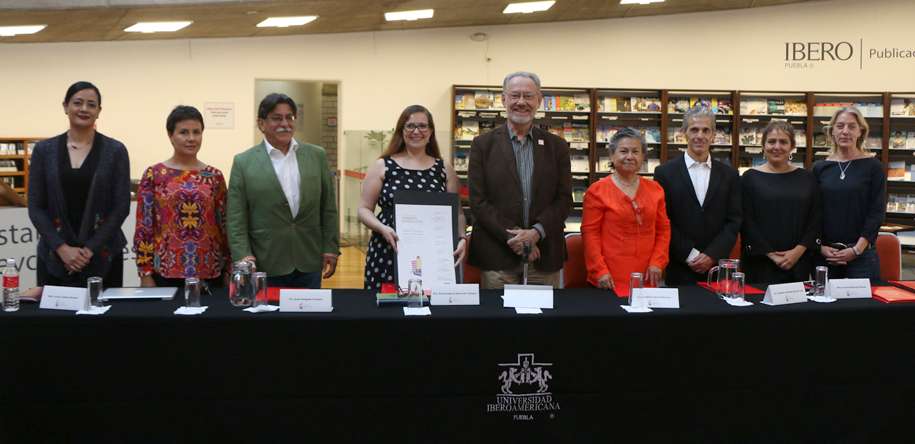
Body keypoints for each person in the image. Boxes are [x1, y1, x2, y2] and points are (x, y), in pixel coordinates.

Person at [467, 71, 572, 289]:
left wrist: (535, 233)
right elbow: (478, 201)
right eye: (515, 96)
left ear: (539, 100)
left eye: (528, 96)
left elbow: (563, 200)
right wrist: (518, 239)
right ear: (504, 99)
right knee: (498, 321)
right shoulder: (482, 145)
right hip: (498, 255)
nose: (521, 102)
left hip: (544, 255)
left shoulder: (557, 146)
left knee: (543, 320)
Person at [227, 93, 340, 288]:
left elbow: (328, 207)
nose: (285, 124)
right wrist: (243, 256)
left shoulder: (316, 155)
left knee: (307, 317)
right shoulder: (243, 162)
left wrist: (330, 248)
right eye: (277, 118)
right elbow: (236, 217)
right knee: (269, 318)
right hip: (264, 261)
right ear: (261, 123)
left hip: (309, 259)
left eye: (290, 117)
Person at [27, 81, 131, 288]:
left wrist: (89, 250)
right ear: (65, 107)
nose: (84, 109)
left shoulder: (116, 151)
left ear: (99, 111)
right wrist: (62, 249)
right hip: (54, 256)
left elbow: (121, 207)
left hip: (103, 255)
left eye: (91, 105)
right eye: (78, 103)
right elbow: (36, 207)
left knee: (104, 319)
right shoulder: (43, 150)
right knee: (54, 320)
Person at [358, 105, 467, 290]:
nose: (416, 131)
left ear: (431, 131)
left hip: (433, 253)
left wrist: (462, 238)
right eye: (410, 126)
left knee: (431, 309)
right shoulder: (383, 165)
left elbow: (457, 213)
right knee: (386, 311)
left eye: (423, 126)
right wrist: (382, 228)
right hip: (389, 249)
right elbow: (363, 209)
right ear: (401, 130)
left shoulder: (444, 168)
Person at [134, 106, 231, 289]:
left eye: (197, 132)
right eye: (183, 132)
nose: (191, 138)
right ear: (170, 135)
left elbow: (224, 226)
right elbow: (144, 228)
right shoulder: (154, 175)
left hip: (210, 271)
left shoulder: (214, 176)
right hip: (165, 271)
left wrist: (228, 270)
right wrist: (145, 273)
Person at [654, 105, 741, 285]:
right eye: (694, 129)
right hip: (680, 266)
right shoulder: (664, 173)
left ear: (713, 134)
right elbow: (663, 219)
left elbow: (734, 220)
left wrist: (712, 255)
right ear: (684, 132)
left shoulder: (730, 174)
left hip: (717, 269)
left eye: (705, 130)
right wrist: (689, 255)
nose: (699, 135)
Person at [581, 128, 670, 289]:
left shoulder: (655, 189)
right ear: (612, 154)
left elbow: (663, 230)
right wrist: (599, 270)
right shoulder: (597, 191)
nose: (630, 156)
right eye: (623, 151)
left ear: (643, 156)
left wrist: (658, 262)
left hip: (648, 276)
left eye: (636, 151)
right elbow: (590, 234)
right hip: (608, 278)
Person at [740, 120, 821, 283]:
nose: (777, 147)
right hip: (760, 262)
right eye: (771, 142)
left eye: (783, 142)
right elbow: (745, 221)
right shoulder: (749, 178)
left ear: (792, 146)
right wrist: (771, 255)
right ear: (763, 145)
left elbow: (816, 219)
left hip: (799, 262)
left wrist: (797, 252)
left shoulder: (807, 178)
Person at [812, 106, 884, 279]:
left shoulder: (873, 167)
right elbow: (812, 213)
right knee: (825, 305)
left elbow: (876, 212)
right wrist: (820, 248)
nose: (845, 132)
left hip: (862, 255)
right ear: (832, 131)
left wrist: (856, 250)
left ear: (860, 132)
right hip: (827, 255)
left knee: (863, 306)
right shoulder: (820, 168)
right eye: (840, 126)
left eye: (852, 126)